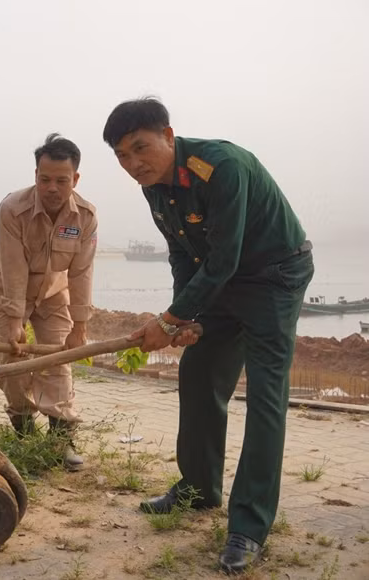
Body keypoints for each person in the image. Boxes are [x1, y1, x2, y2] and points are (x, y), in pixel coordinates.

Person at [102, 98, 313, 574]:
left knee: (264, 396)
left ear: (169, 136)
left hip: (274, 277)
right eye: (122, 157)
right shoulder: (154, 186)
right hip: (222, 279)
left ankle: (249, 526)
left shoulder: (222, 167)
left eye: (141, 148)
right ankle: (198, 490)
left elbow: (224, 258)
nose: (134, 164)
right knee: (198, 375)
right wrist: (187, 320)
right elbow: (183, 253)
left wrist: (169, 319)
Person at [0, 133, 98, 471]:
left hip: (54, 291)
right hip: (6, 284)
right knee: (10, 357)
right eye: (44, 178)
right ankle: (23, 427)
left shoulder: (86, 217)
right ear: (35, 174)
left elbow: (82, 273)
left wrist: (80, 326)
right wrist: (15, 321)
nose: (52, 187)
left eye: (61, 181)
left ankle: (61, 439)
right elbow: (13, 268)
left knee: (58, 357)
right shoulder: (11, 209)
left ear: (74, 179)